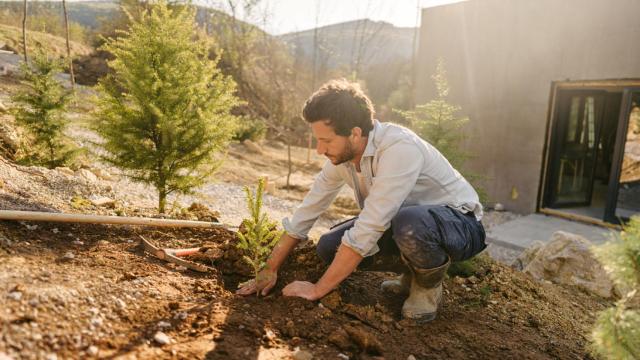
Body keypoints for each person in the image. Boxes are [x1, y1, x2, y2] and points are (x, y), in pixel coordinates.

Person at [237, 79, 486, 322]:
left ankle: (427, 286)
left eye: (326, 141)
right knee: (328, 247)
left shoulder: (399, 148)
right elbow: (306, 213)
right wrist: (270, 268)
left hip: (460, 224)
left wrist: (317, 289)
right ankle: (410, 273)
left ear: (355, 133)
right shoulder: (342, 158)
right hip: (404, 223)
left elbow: (370, 226)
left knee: (409, 222)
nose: (319, 151)